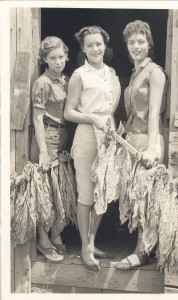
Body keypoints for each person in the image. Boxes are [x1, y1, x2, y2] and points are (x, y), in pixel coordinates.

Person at [64, 26, 121, 272]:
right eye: (90, 45)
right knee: (86, 194)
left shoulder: (111, 73)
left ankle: (93, 242)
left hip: (109, 135)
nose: (95, 49)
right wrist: (92, 118)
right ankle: (85, 248)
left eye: (98, 44)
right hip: (88, 135)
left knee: (103, 192)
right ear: (83, 49)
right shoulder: (79, 75)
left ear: (105, 46)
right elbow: (69, 112)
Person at [115, 20, 167, 269]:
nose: (136, 46)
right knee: (135, 198)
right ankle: (143, 247)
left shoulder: (155, 72)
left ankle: (142, 252)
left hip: (148, 141)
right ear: (127, 45)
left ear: (149, 44)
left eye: (141, 41)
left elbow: (154, 112)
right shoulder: (136, 72)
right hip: (133, 140)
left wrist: (152, 149)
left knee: (144, 200)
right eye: (132, 42)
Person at [31, 36, 70, 262]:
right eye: (53, 58)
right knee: (45, 188)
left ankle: (56, 234)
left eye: (61, 57)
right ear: (45, 59)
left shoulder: (64, 80)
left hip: (63, 136)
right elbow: (37, 118)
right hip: (48, 134)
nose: (58, 61)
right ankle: (43, 240)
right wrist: (44, 151)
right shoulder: (43, 83)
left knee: (59, 187)